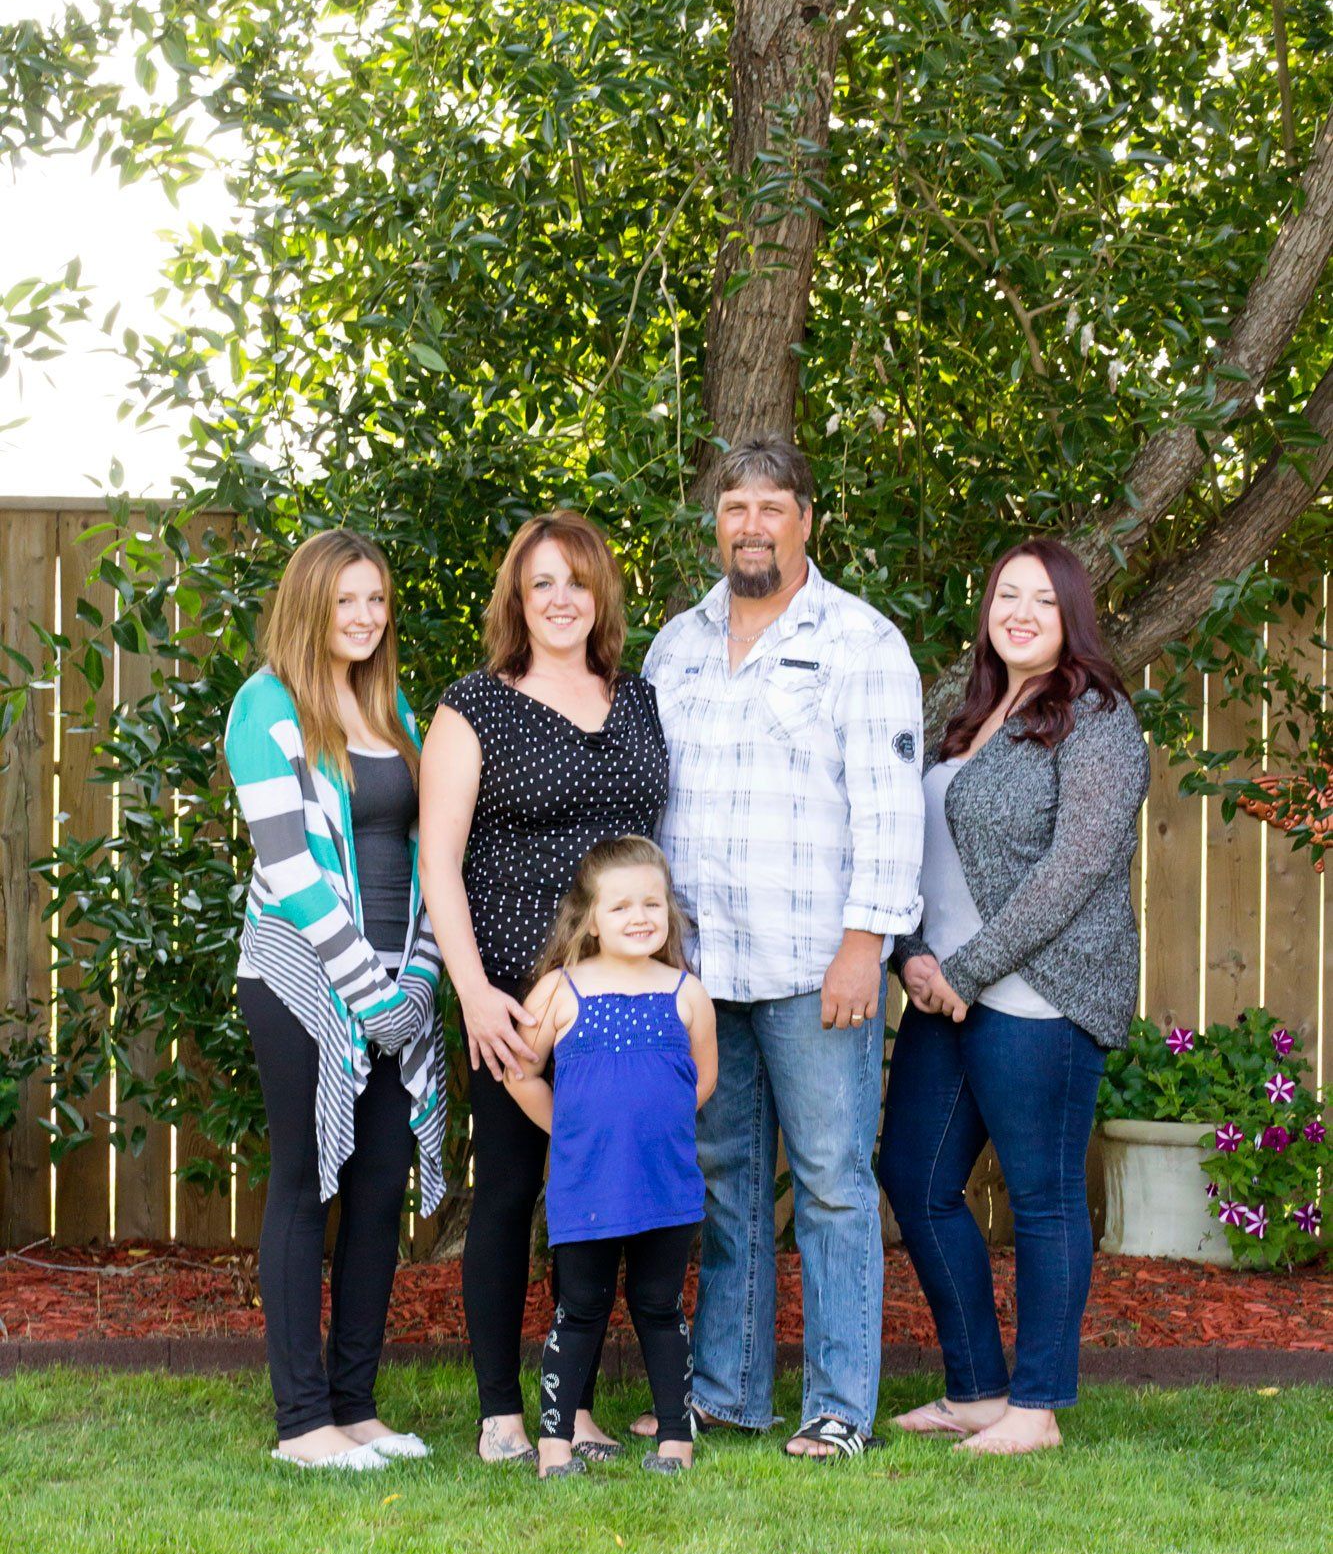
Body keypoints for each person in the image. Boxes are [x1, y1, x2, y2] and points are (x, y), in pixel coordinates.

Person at [642, 436, 925, 1460]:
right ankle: (728, 1390)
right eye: (735, 507)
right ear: (715, 523)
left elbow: (888, 808)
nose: (751, 524)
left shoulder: (861, 642)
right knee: (725, 1184)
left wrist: (865, 945)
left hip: (815, 967)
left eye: (772, 506)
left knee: (833, 1185)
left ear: (808, 519)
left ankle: (840, 1404)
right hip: (703, 969)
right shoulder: (676, 646)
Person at [878, 536, 1150, 1456]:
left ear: (1071, 615)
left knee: (1041, 1197)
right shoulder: (967, 714)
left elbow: (1073, 869)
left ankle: (1035, 1408)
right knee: (915, 1179)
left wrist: (965, 970)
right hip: (943, 994)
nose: (1020, 613)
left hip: (1041, 994)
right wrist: (914, 958)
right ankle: (976, 1391)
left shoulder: (1096, 718)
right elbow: (917, 856)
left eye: (1041, 599)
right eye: (1006, 595)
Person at [418, 512, 669, 1463]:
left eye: (576, 581)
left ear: (601, 593)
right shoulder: (474, 707)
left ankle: (575, 1408)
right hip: (516, 997)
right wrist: (474, 991)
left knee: (596, 1196)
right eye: (541, 585)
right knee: (511, 1189)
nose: (561, 600)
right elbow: (439, 863)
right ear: (516, 603)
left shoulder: (637, 700)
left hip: (623, 998)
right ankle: (499, 1415)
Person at [224, 530, 446, 1470]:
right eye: (345, 600)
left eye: (376, 600)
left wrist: (418, 982)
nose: (363, 617)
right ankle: (301, 1423)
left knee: (380, 1183)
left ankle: (354, 1407)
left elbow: (434, 851)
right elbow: (293, 871)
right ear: (309, 604)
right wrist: (367, 993)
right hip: (302, 980)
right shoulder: (266, 707)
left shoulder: (392, 707)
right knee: (307, 1181)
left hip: (397, 987)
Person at [505, 837, 717, 1479]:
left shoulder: (687, 993)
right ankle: (555, 1448)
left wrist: (654, 1129)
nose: (639, 917)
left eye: (652, 903)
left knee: (660, 1308)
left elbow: (703, 1078)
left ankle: (675, 1442)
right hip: (586, 1186)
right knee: (580, 1311)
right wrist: (571, 1131)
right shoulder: (558, 991)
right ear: (589, 918)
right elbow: (520, 1074)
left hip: (664, 1187)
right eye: (620, 906)